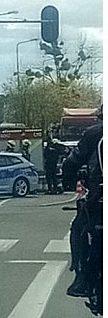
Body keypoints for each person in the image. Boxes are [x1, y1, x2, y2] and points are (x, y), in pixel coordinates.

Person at [61, 110, 102, 299]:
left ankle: (81, 277)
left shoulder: (95, 133)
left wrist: (68, 179)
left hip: (100, 196)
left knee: (79, 228)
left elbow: (72, 162)